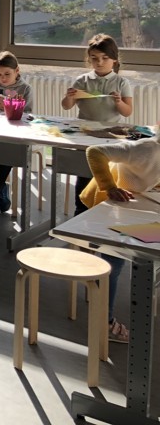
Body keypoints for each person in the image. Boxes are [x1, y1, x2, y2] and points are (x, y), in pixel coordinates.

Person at [78, 133, 160, 343]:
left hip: (128, 204)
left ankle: (99, 292)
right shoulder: (146, 148)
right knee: (112, 264)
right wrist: (110, 187)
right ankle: (103, 324)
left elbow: (151, 175)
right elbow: (95, 152)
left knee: (126, 255)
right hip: (106, 203)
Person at [62, 33, 133, 215]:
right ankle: (80, 210)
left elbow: (127, 111)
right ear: (89, 59)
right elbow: (66, 106)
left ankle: (101, 211)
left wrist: (119, 102)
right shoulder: (82, 80)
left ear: (114, 60)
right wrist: (69, 97)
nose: (99, 62)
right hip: (84, 133)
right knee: (83, 173)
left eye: (104, 58)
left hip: (109, 135)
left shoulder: (121, 82)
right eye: (94, 58)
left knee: (105, 175)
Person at [0, 51, 33, 215]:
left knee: (9, 152)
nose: (2, 78)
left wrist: (9, 107)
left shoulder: (25, 88)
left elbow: (28, 115)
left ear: (17, 71)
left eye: (7, 74)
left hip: (13, 133)